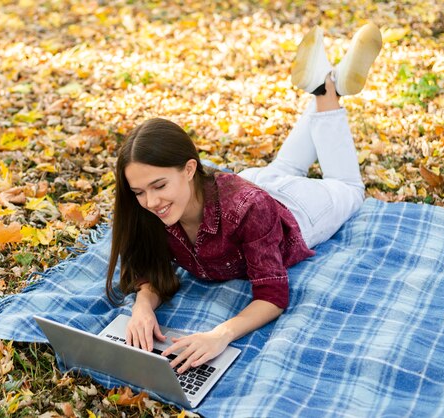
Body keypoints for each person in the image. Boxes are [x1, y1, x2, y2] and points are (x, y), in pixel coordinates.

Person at [105, 23, 383, 374]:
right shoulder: (152, 208)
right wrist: (142, 305)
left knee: (348, 188)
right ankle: (324, 85)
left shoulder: (250, 209)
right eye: (139, 191)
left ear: (190, 169)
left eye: (159, 186)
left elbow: (272, 296)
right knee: (283, 166)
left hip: (294, 209)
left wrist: (219, 335)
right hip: (252, 182)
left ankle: (327, 93)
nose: (150, 201)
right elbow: (149, 269)